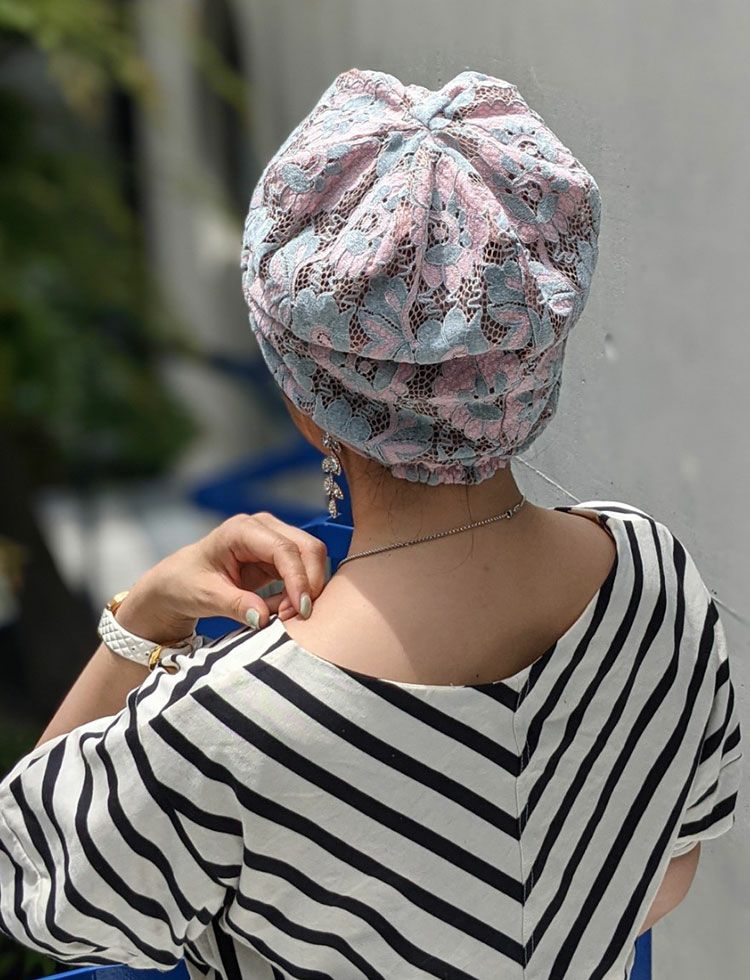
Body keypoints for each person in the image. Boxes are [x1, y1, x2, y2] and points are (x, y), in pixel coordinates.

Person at [0, 68, 742, 980]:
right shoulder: (654, 575)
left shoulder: (223, 726)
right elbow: (671, 866)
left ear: (307, 393)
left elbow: (36, 884)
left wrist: (141, 620)